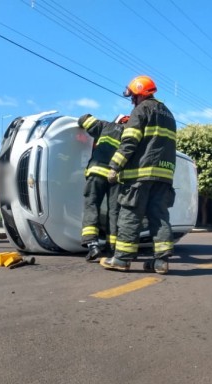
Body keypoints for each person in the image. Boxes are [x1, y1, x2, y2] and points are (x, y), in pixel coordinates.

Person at [100, 75, 177, 274]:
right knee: (159, 216)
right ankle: (161, 262)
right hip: (163, 176)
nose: (132, 100)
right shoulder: (168, 114)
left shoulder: (141, 110)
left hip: (140, 175)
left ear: (139, 93)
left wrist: (115, 166)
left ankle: (122, 259)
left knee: (129, 214)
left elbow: (129, 142)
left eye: (133, 96)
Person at [77, 113, 128, 261]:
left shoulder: (105, 126)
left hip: (96, 172)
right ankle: (112, 248)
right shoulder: (129, 136)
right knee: (114, 212)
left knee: (91, 205)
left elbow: (83, 119)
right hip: (116, 177)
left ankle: (92, 245)